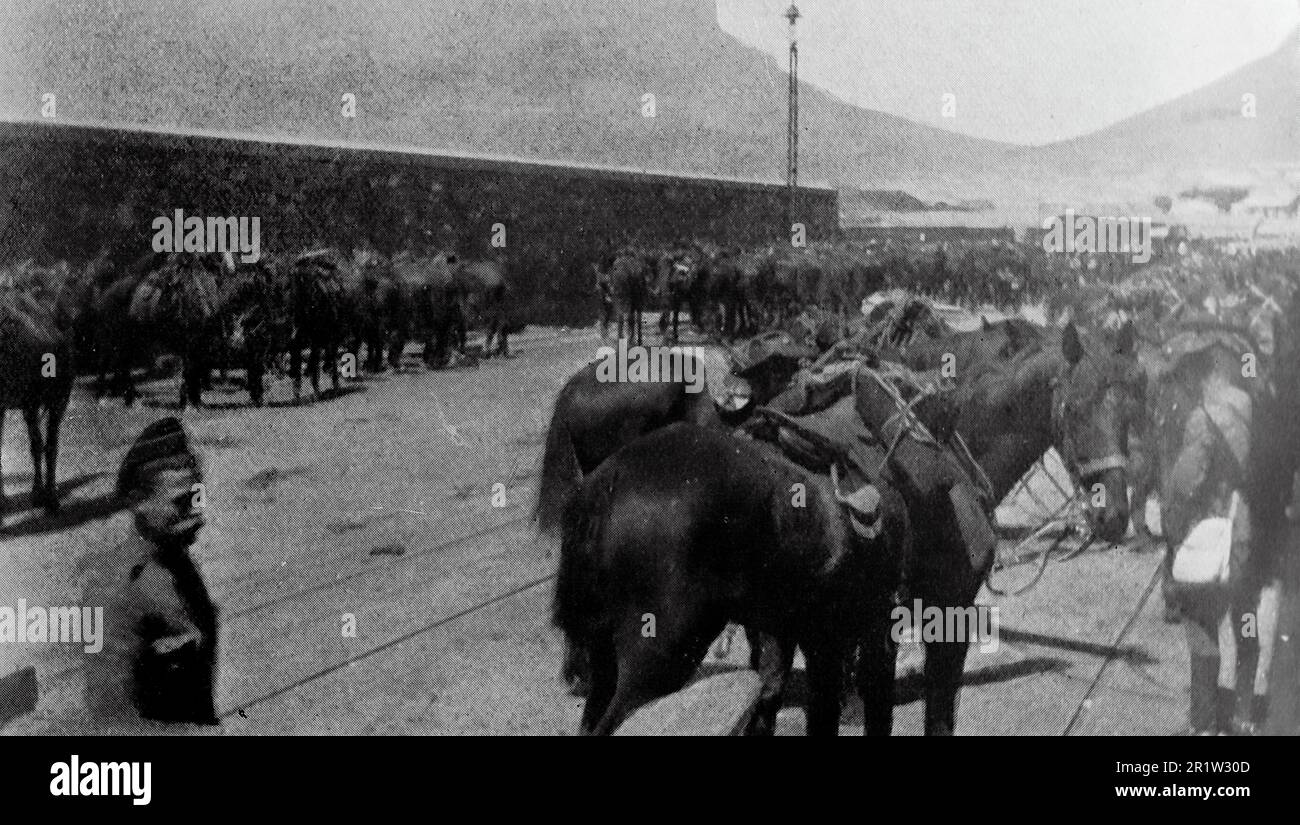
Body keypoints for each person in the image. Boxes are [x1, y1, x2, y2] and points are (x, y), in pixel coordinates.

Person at [83, 417, 220, 726]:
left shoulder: (179, 567)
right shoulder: (115, 589)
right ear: (139, 501)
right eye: (182, 502)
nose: (198, 516)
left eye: (199, 499)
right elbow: (112, 723)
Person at [1159, 335, 1257, 735]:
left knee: (1201, 627)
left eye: (1193, 374)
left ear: (1210, 373)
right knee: (1246, 620)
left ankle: (1203, 724)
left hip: (1215, 538)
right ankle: (1245, 712)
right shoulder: (1254, 409)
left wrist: (1173, 532)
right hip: (1252, 538)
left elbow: (1183, 485)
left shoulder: (1204, 418)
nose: (1189, 384)